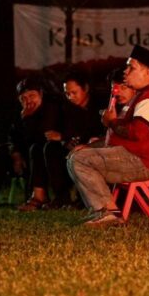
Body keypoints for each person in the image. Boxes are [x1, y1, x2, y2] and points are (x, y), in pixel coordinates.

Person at [67, 46, 149, 225]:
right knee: (76, 156)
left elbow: (138, 133)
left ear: (148, 72)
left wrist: (111, 123)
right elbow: (120, 136)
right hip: (131, 157)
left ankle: (106, 211)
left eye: (131, 68)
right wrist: (91, 146)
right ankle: (107, 210)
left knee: (79, 160)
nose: (126, 72)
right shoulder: (142, 96)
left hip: (139, 162)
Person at [0, 77, 61, 210]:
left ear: (40, 94)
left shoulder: (50, 110)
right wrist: (16, 154)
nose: (28, 101)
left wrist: (27, 120)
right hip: (25, 159)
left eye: (32, 96)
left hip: (46, 160)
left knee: (36, 149)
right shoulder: (22, 114)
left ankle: (40, 197)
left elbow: (40, 138)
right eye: (24, 98)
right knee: (2, 150)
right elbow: (12, 137)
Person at [40, 70, 105, 208]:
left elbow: (99, 131)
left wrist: (68, 137)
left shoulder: (99, 105)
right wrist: (64, 139)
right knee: (51, 149)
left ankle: (85, 199)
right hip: (71, 145)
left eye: (74, 93)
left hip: (94, 147)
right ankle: (62, 197)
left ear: (85, 89)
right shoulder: (65, 107)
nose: (70, 97)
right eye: (67, 93)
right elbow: (58, 131)